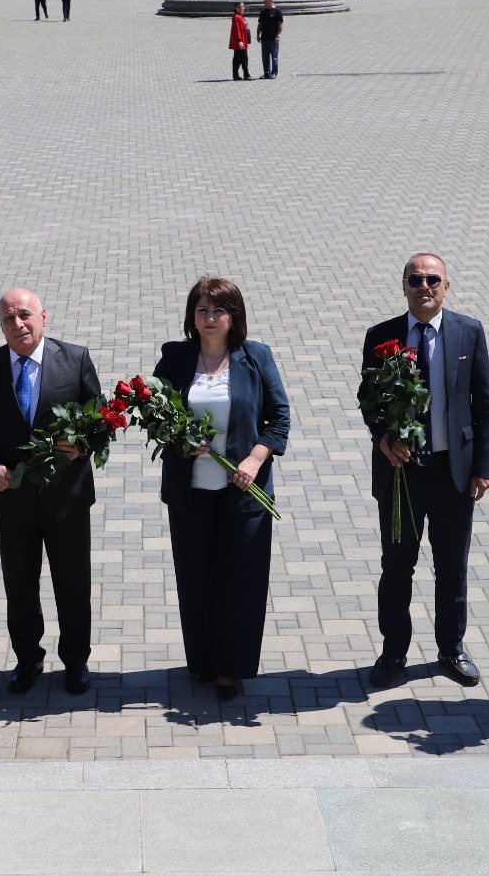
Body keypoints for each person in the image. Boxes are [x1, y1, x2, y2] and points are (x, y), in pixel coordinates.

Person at [361, 254, 489, 690]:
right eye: (416, 280)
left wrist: (484, 466)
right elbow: (369, 399)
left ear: (446, 285)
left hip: (452, 473)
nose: (425, 286)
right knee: (397, 567)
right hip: (401, 474)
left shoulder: (468, 331)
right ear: (403, 286)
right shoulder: (381, 336)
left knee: (452, 567)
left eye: (432, 279)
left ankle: (451, 648)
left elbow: (485, 403)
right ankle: (393, 651)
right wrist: (384, 437)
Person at [0, 288, 102, 695]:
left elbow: (100, 419)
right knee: (20, 585)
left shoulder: (74, 359)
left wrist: (83, 445)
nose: (17, 324)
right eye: (7, 318)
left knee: (73, 584)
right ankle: (27, 658)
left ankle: (76, 660)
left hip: (67, 500)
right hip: (12, 499)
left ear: (43, 316)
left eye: (24, 315)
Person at [153, 278, 290, 702]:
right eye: (202, 310)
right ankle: (203, 662)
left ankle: (231, 669)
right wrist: (178, 439)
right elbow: (155, 415)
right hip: (190, 494)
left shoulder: (256, 357)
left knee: (240, 583)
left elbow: (279, 416)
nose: (210, 319)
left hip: (243, 493)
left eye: (219, 311)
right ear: (192, 317)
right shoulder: (175, 358)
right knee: (195, 580)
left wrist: (254, 458)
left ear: (234, 317)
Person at [256, 0, 283, 80]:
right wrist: (258, 35)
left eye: (266, 1)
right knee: (265, 57)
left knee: (274, 57)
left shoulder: (277, 11)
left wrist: (278, 35)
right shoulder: (263, 12)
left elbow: (281, 24)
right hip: (264, 38)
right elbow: (260, 24)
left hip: (273, 38)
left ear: (271, 1)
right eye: (264, 1)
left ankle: (274, 73)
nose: (265, 3)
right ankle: (266, 73)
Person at [229, 2, 251, 81]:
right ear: (235, 8)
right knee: (243, 58)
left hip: (242, 41)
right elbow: (236, 30)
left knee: (237, 58)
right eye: (239, 7)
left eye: (242, 6)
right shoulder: (236, 17)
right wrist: (240, 40)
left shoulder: (241, 16)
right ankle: (246, 74)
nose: (241, 8)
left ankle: (236, 75)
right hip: (239, 41)